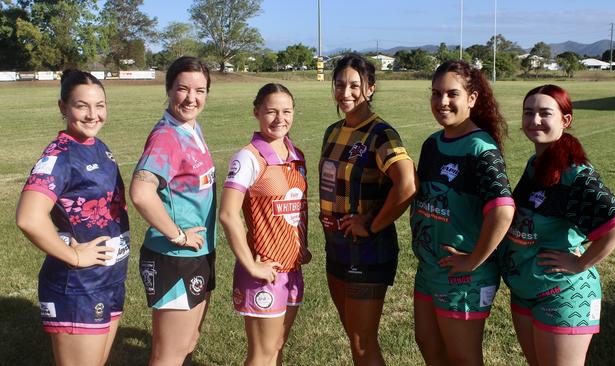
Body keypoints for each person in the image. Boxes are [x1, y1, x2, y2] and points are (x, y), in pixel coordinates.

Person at [501, 84, 615, 366]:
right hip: (527, 291)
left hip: (563, 295)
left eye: (544, 113)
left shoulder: (575, 172)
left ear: (565, 120)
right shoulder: (535, 164)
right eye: (528, 112)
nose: (534, 120)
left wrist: (580, 263)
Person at [16, 69, 130, 366]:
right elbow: (29, 217)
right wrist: (74, 256)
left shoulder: (98, 147)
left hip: (107, 280)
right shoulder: (60, 156)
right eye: (82, 106)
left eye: (100, 105)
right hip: (79, 285)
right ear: (63, 107)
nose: (93, 115)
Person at [410, 60, 515, 365]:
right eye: (436, 93)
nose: (442, 101)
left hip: (463, 275)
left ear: (472, 99)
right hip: (430, 268)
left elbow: (503, 210)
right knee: (428, 343)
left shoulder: (480, 148)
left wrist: (473, 259)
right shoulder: (433, 143)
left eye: (452, 94)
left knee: (463, 358)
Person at [319, 54, 417, 366]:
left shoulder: (381, 134)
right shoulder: (333, 131)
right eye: (340, 85)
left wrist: (372, 224)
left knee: (362, 343)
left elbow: (407, 184)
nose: (345, 93)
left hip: (368, 249)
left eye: (354, 86)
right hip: (336, 247)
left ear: (370, 88)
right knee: (355, 337)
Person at [130, 56, 217, 366]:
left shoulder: (190, 127)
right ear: (168, 90)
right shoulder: (168, 136)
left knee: (188, 342)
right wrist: (178, 235)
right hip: (175, 257)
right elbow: (141, 192)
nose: (191, 98)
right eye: (182, 89)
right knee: (169, 354)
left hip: (197, 254)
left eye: (200, 90)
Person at [219, 83, 310, 366]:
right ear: (256, 112)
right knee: (261, 356)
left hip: (291, 270)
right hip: (264, 273)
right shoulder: (248, 157)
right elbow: (228, 214)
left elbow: (293, 208)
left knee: (277, 349)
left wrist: (301, 246)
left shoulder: (296, 156)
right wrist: (251, 265)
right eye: (271, 111)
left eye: (286, 111)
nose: (279, 118)